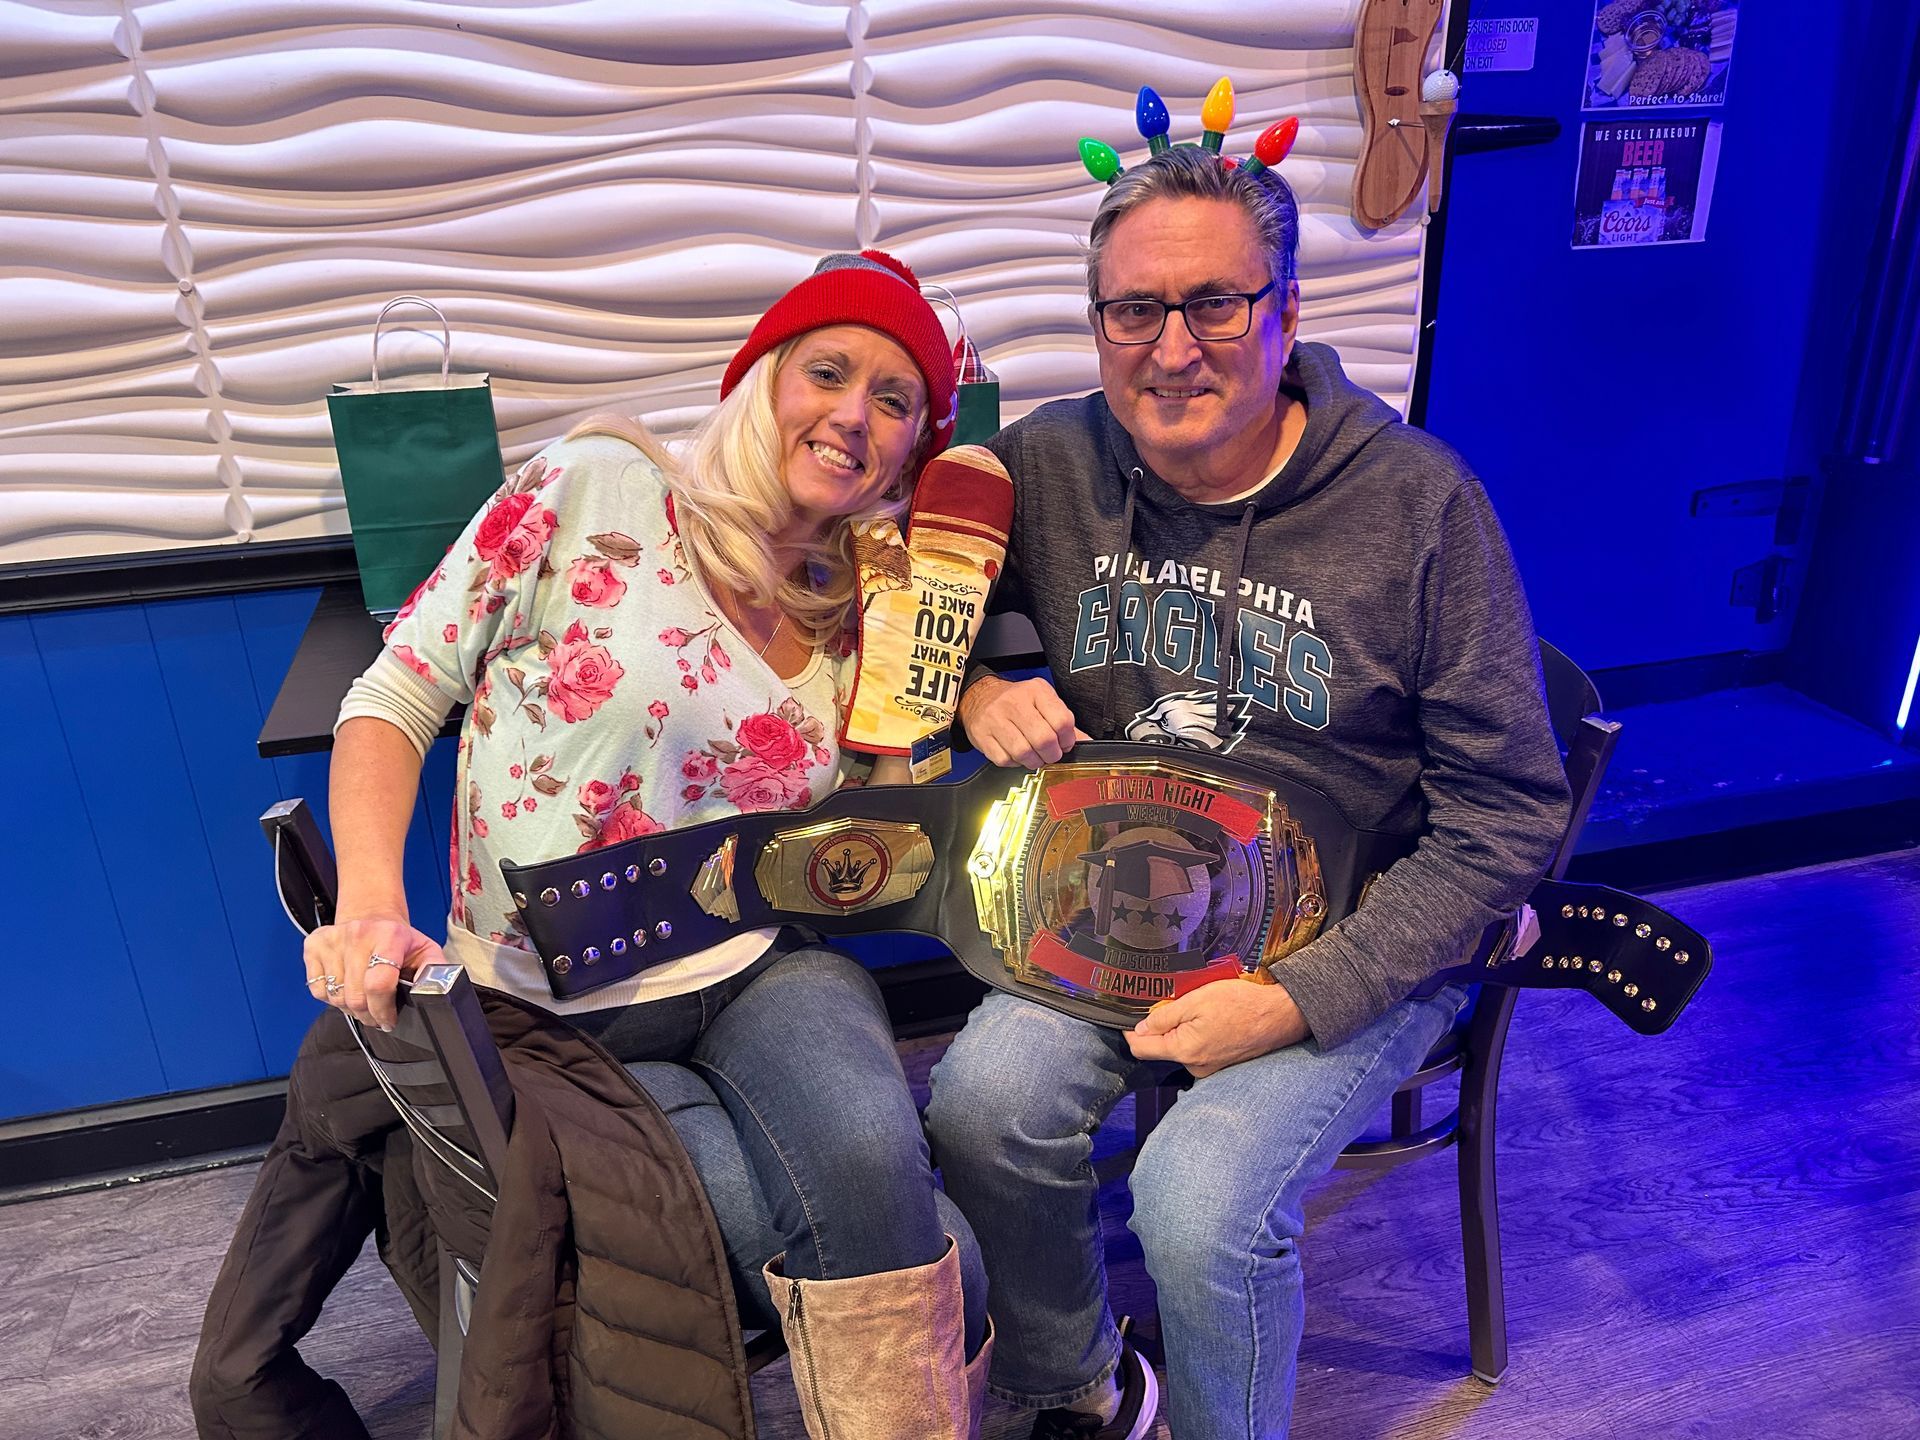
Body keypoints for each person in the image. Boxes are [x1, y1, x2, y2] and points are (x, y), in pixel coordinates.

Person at [922, 147, 1572, 1439]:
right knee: (979, 1111)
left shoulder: (1421, 508)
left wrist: (1292, 1000)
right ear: (1098, 321)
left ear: (1287, 314)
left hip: (1359, 926)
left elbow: (1508, 815)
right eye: (1134, 310)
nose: (1173, 349)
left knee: (1197, 1202)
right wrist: (963, 692)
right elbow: (885, 609)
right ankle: (1083, 1388)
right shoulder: (1048, 468)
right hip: (1121, 903)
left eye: (1216, 303)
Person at [307, 250, 989, 1436]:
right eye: (829, 372)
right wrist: (369, 895)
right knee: (935, 1260)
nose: (854, 416)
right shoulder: (595, 484)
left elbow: (880, 842)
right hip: (549, 1014)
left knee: (878, 1170)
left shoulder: (863, 603)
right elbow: (396, 694)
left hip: (756, 968)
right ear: (761, 379)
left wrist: (948, 688)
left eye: (896, 401)